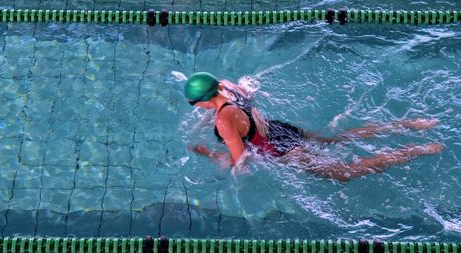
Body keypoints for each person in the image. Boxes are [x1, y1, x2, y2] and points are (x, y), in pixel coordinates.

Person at [184, 72, 443, 181]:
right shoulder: (227, 85)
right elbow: (248, 93)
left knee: (344, 173)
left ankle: (414, 150)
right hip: (281, 130)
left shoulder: (223, 120)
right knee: (337, 139)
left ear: (202, 101)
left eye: (195, 103)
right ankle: (410, 124)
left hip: (280, 149)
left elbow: (240, 161)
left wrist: (207, 153)